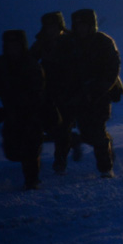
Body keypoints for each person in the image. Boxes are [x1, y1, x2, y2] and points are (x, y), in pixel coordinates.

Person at [0, 30, 49, 189]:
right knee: (12, 151)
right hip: (12, 115)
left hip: (31, 113)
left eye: (16, 44)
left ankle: (32, 181)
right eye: (10, 45)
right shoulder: (1, 63)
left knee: (29, 148)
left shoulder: (31, 64)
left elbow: (36, 92)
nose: (13, 48)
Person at [65, 9, 122, 178]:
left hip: (100, 94)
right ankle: (106, 145)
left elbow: (113, 67)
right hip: (79, 96)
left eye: (85, 25)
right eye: (78, 25)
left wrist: (101, 87)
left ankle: (105, 168)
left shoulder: (103, 42)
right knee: (87, 133)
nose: (81, 29)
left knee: (97, 131)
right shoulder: (71, 44)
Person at [29, 11, 79, 174]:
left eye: (54, 26)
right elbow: (29, 61)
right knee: (50, 126)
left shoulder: (72, 41)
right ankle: (71, 142)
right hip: (48, 91)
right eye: (48, 26)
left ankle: (60, 159)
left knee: (64, 126)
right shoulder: (41, 43)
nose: (51, 29)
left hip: (68, 90)